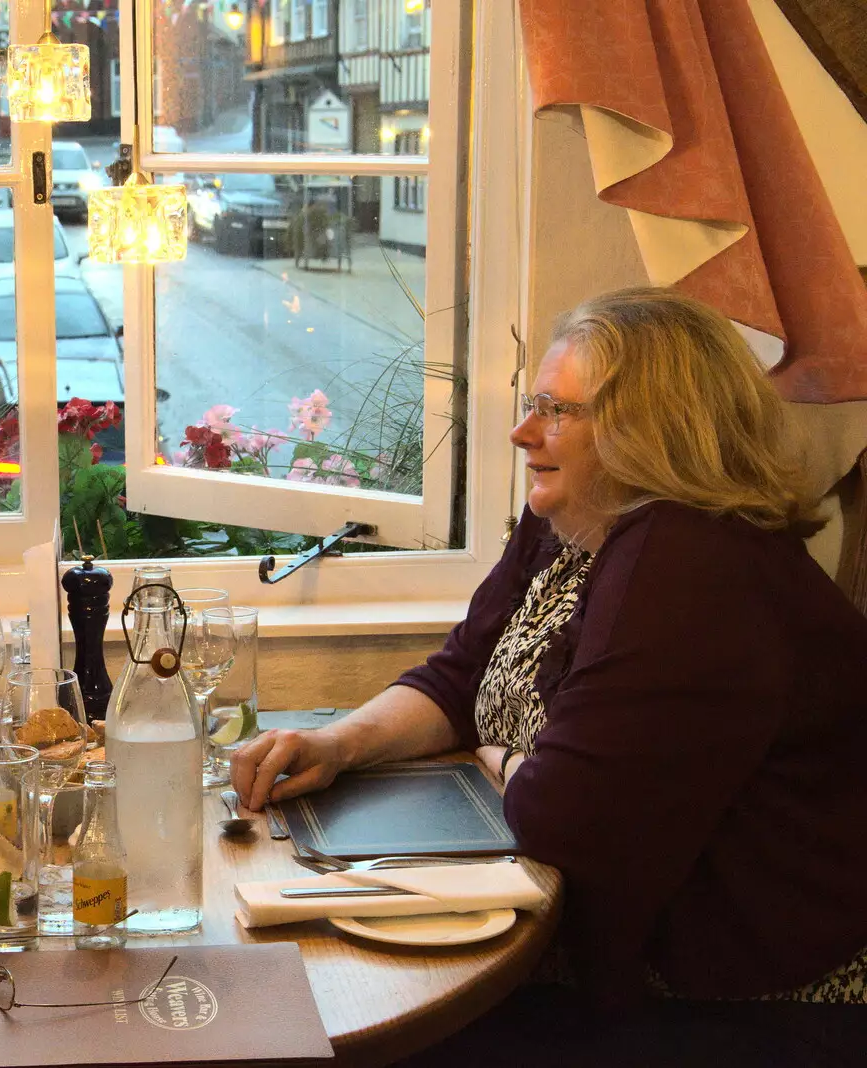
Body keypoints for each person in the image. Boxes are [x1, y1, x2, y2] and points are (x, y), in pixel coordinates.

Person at [232, 287, 867, 1064]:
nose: (522, 430)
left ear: (653, 432)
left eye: (559, 412)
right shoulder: (571, 518)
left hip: (738, 998)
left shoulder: (689, 565)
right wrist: (341, 743)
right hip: (583, 947)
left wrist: (501, 760)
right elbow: (461, 674)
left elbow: (562, 817)